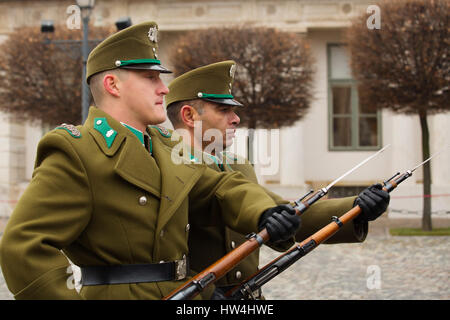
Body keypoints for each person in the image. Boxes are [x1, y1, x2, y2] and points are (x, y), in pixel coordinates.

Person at [0, 22, 301, 300]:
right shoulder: (76, 151)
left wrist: (262, 212)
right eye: (150, 77)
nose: (165, 88)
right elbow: (24, 248)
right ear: (113, 85)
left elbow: (220, 187)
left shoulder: (165, 146)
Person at [164, 60, 391, 298]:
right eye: (223, 110)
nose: (235, 119)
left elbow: (282, 213)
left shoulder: (235, 165)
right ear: (189, 116)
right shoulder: (167, 168)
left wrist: (356, 208)